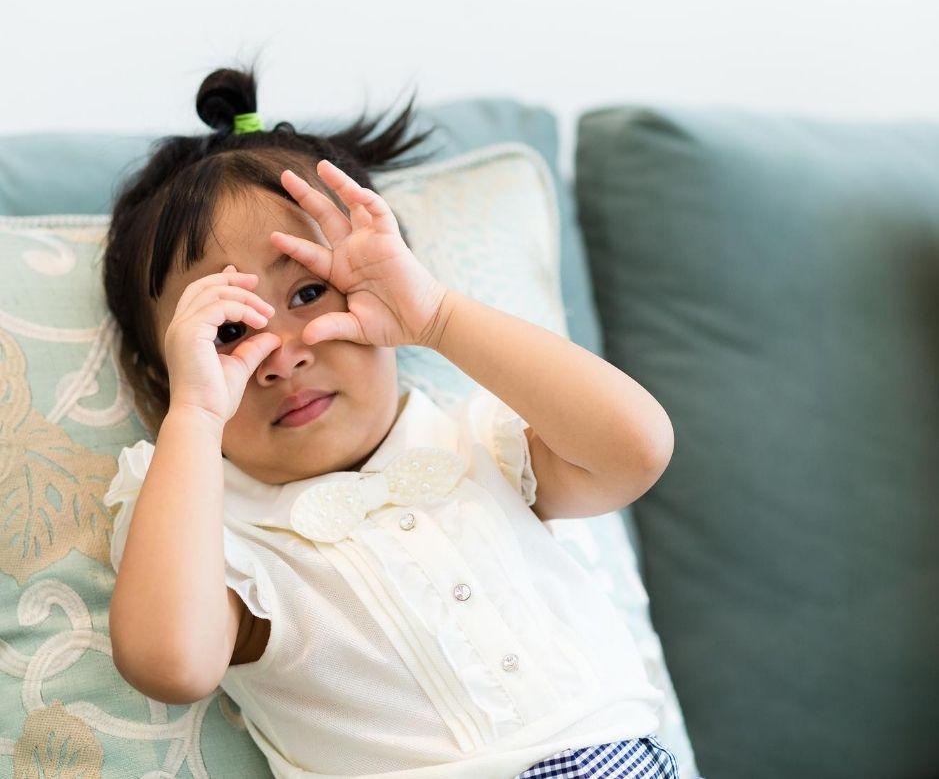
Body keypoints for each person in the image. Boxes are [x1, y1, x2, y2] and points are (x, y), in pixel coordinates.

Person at [101, 64, 682, 779]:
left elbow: (637, 450)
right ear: (165, 375)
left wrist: (437, 317)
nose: (281, 358)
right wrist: (195, 415)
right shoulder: (221, 533)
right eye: (227, 332)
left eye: (310, 293)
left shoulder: (477, 445)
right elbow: (169, 662)